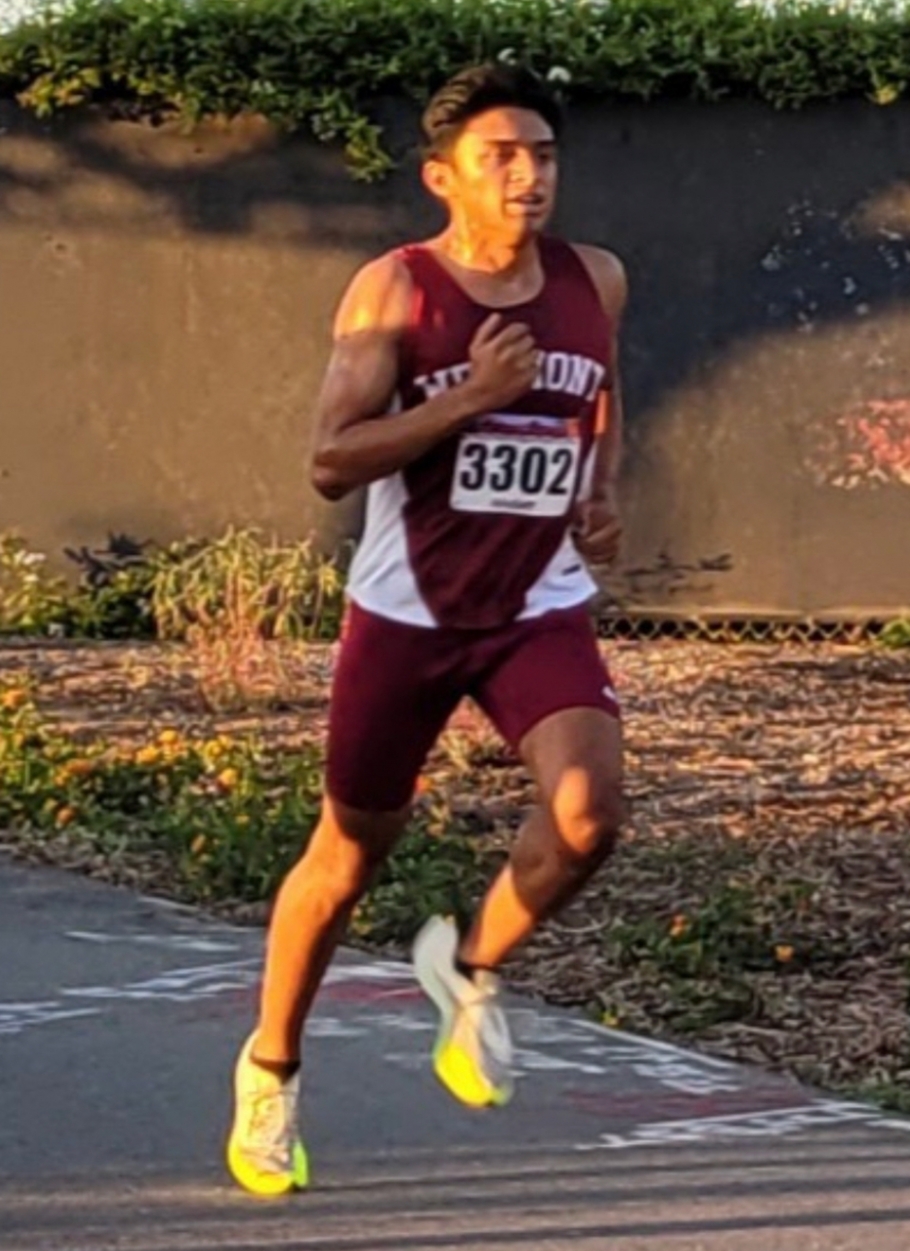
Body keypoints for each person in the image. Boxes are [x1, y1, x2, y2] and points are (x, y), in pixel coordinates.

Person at [226, 62, 629, 1197]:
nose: (529, 176)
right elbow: (327, 461)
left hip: (535, 602)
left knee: (589, 817)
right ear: (441, 178)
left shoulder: (593, 280)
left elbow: (601, 403)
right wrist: (461, 400)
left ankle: (470, 971)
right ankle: (271, 1070)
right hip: (407, 615)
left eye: (543, 155)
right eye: (502, 157)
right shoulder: (395, 292)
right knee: (347, 856)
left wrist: (599, 490)